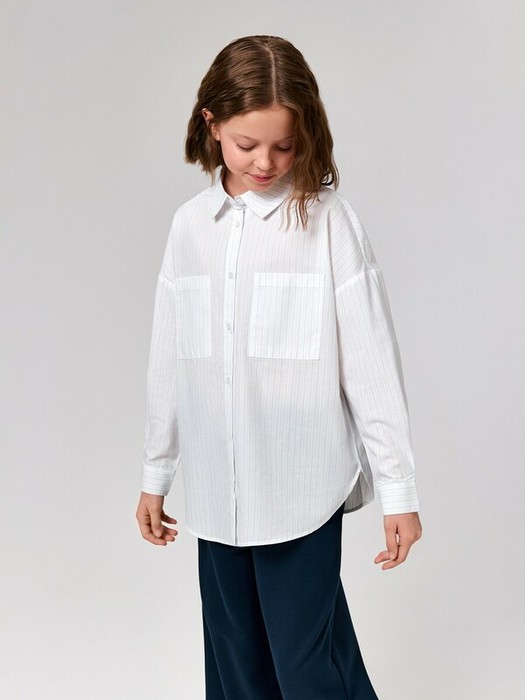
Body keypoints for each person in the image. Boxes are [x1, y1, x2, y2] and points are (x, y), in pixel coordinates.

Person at [136, 35, 422, 700]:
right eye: (246, 145)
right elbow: (169, 357)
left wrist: (399, 491)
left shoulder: (329, 224)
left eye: (284, 147)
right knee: (235, 670)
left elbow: (371, 364)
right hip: (217, 494)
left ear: (306, 135)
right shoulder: (189, 228)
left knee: (309, 669)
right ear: (211, 124)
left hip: (301, 492)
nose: (264, 162)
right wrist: (156, 473)